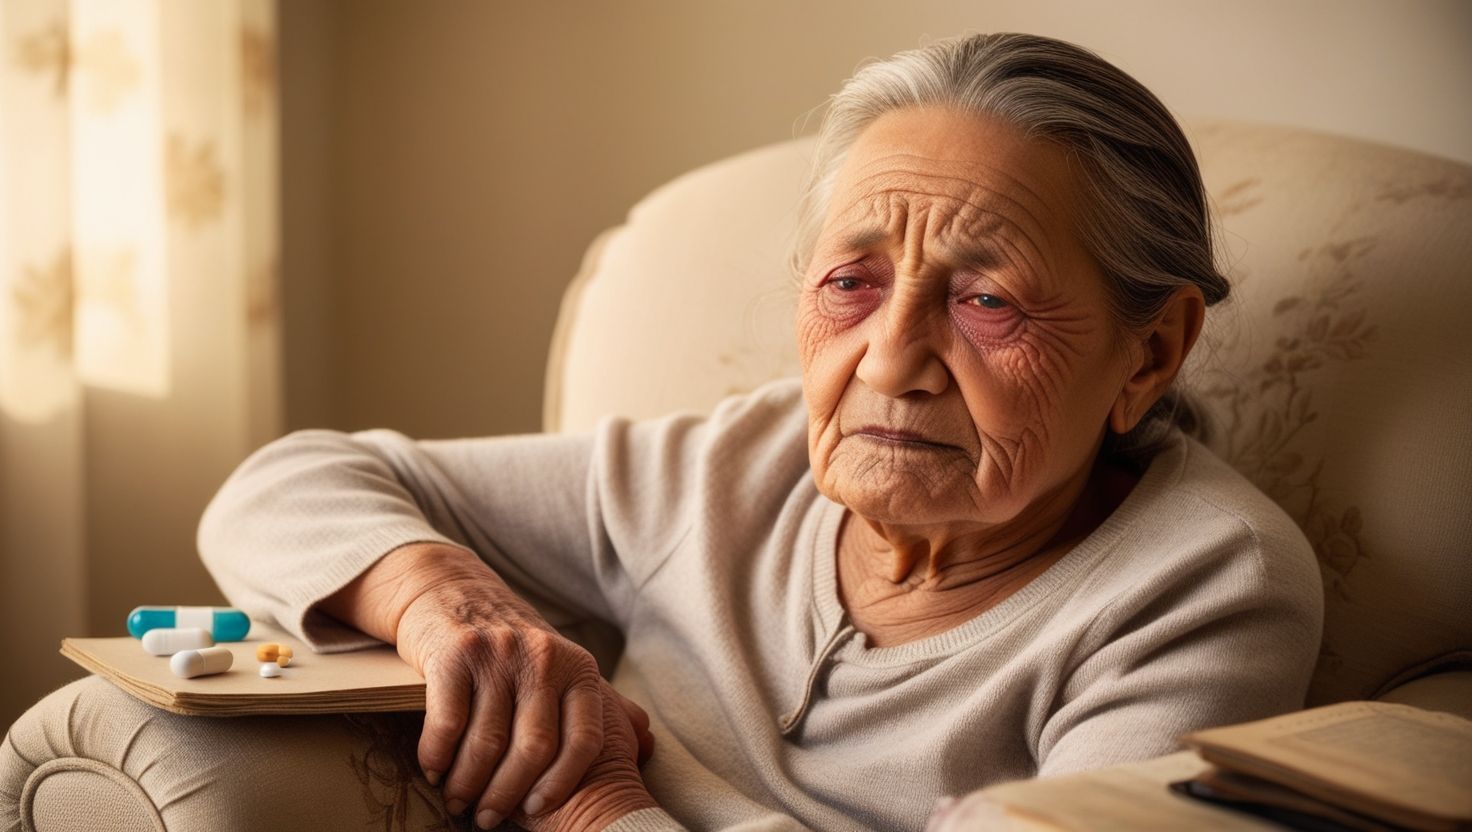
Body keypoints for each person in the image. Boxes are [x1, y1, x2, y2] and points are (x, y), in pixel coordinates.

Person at [198, 32, 1323, 832]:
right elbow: (286, 484)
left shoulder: (1201, 585)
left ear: (1148, 353)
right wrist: (449, 603)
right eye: (851, 282)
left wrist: (602, 806)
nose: (889, 361)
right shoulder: (732, 465)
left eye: (986, 301)